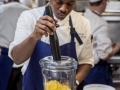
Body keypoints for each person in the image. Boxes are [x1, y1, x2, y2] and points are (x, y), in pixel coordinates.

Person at [8, 0, 94, 90]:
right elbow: (17, 59)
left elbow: (86, 61)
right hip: (34, 85)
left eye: (70, 3)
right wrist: (34, 36)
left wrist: (73, 83)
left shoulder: (83, 23)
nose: (63, 9)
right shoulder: (29, 17)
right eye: (59, 2)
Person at [84, 0, 120, 87]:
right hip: (95, 71)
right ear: (103, 2)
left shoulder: (84, 17)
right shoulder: (101, 24)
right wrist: (117, 47)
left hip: (82, 69)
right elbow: (104, 55)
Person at [0, 0, 30, 90]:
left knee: (4, 85)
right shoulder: (28, 11)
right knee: (22, 86)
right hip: (25, 54)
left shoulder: (1, 9)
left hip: (5, 54)